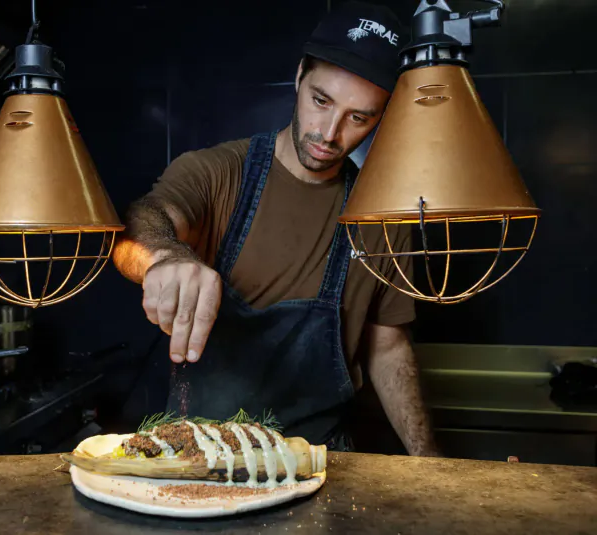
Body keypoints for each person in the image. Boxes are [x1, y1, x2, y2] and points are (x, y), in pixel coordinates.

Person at [112, 1, 439, 456]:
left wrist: (430, 462)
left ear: (380, 117)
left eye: (358, 117)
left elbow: (387, 347)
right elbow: (140, 226)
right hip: (196, 462)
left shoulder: (380, 219)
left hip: (322, 464)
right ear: (300, 74)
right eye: (321, 101)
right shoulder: (219, 172)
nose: (329, 133)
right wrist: (165, 257)